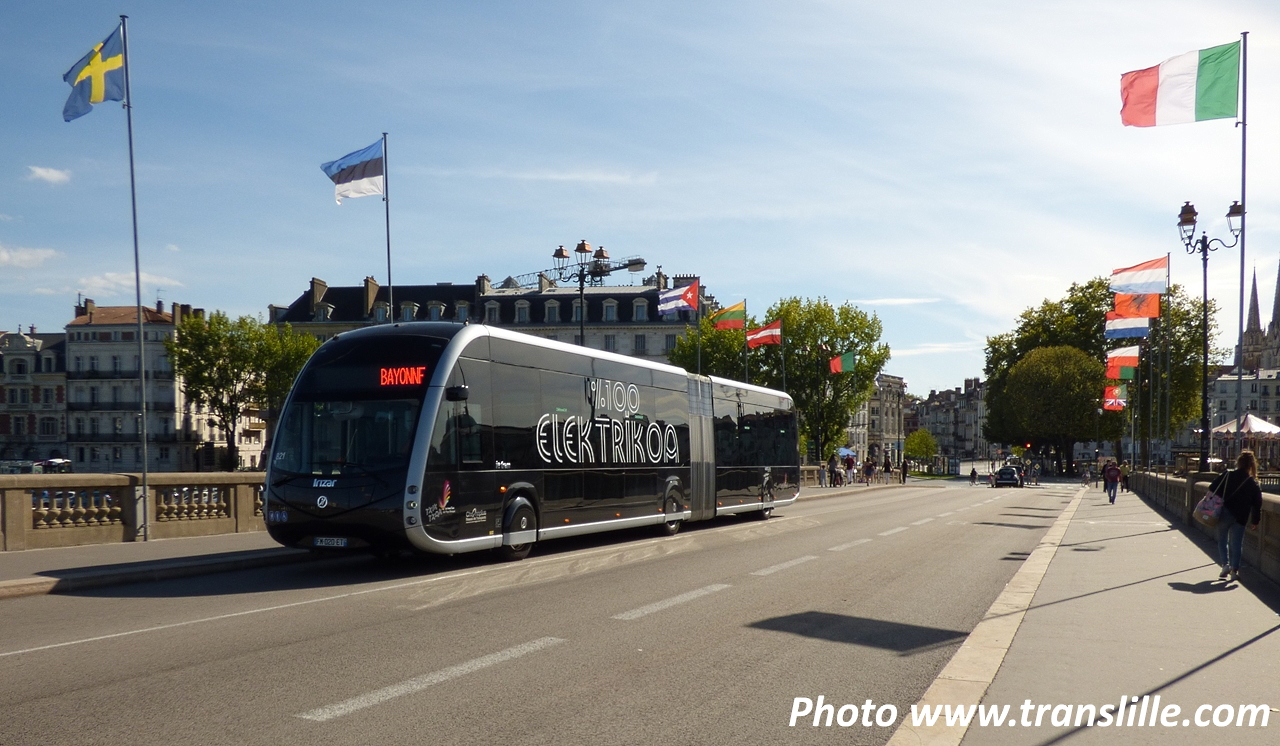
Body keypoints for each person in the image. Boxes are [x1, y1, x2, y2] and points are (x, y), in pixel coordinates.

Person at [1210, 451, 1263, 582]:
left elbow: (1212, 487)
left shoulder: (1228, 475)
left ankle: (1225, 565)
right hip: (1241, 517)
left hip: (1225, 512)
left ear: (1238, 463)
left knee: (1222, 539)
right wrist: (1255, 520)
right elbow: (1257, 504)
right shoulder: (1252, 483)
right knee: (1237, 543)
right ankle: (1234, 570)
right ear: (1252, 465)